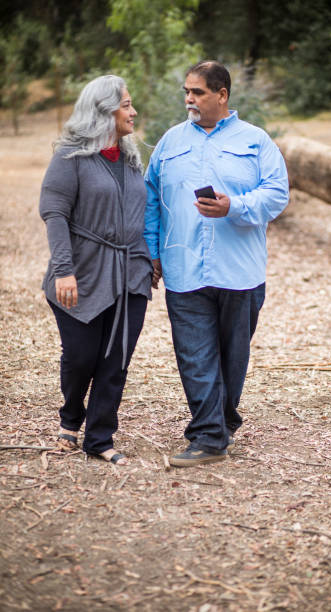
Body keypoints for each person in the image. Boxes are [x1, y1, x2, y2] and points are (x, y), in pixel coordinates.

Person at [144, 60, 289, 467]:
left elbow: (277, 194)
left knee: (232, 357)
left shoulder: (257, 141)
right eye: (186, 92)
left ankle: (220, 419)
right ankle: (209, 437)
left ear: (222, 95)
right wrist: (151, 250)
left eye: (198, 92)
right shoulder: (170, 142)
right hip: (183, 267)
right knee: (194, 355)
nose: (189, 99)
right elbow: (151, 198)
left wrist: (234, 207)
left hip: (239, 270)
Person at [40, 75, 154, 465]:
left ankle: (100, 438)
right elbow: (54, 213)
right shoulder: (70, 156)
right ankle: (70, 419)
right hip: (82, 272)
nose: (133, 111)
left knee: (115, 361)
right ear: (104, 110)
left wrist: (147, 259)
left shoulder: (130, 158)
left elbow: (141, 213)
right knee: (81, 357)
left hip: (130, 273)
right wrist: (63, 270)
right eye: (126, 104)